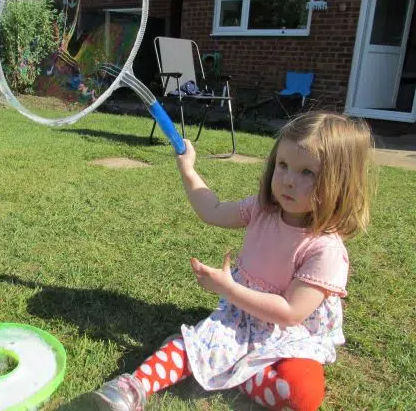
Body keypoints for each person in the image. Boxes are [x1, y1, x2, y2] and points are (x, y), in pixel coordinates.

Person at [91, 112, 374, 411]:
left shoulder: (325, 249)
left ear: (339, 182)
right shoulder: (262, 210)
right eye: (283, 165)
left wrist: (227, 289)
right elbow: (212, 209)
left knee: (304, 392)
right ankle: (133, 388)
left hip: (290, 333)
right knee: (187, 347)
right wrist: (188, 169)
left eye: (307, 173)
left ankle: (236, 371)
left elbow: (291, 313)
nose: (288, 180)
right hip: (241, 319)